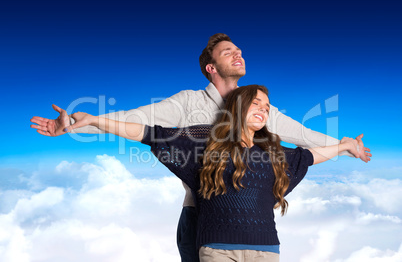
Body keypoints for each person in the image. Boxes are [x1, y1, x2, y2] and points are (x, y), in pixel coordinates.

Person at [30, 33, 371, 261]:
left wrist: (346, 145)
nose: (238, 54)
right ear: (212, 68)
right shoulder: (188, 102)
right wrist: (83, 121)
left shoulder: (259, 109)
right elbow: (140, 121)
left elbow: (306, 138)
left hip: (252, 222)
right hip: (200, 217)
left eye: (239, 51)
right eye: (228, 52)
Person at [64, 85, 364, 261]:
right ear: (236, 109)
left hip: (267, 251)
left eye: (267, 106)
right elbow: (147, 132)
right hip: (218, 250)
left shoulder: (274, 154)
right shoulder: (204, 147)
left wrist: (345, 146)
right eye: (255, 102)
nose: (264, 108)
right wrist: (94, 120)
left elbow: (310, 155)